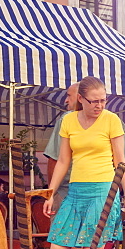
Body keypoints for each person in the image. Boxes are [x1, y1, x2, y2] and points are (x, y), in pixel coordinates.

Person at [44, 76, 125, 249]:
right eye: (94, 101)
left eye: (103, 100)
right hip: (76, 190)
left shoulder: (111, 120)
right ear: (80, 99)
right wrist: (50, 192)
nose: (99, 105)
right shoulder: (68, 121)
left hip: (104, 189)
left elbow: (120, 160)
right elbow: (63, 161)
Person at [43, 83, 79, 212]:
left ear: (80, 97)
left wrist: (51, 193)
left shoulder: (67, 119)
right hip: (98, 193)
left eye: (69, 95)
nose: (66, 100)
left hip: (67, 193)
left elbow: (54, 159)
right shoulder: (113, 121)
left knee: (62, 231)